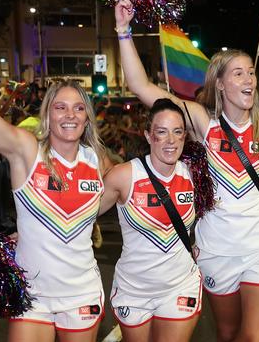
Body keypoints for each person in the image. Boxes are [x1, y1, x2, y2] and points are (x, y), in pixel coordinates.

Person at [115, 0, 259, 341]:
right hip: (214, 248)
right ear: (220, 84)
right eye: (238, 73)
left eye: (251, 72)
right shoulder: (200, 120)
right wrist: (122, 31)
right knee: (227, 333)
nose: (249, 78)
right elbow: (142, 87)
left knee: (255, 336)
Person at [0, 20, 110, 342]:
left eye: (79, 108)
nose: (70, 115)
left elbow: (132, 187)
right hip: (33, 295)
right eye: (60, 107)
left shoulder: (98, 160)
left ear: (87, 117)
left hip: (82, 294)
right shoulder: (26, 151)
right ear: (48, 114)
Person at [100, 98, 201, 342]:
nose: (171, 141)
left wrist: (202, 246)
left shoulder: (194, 175)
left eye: (177, 132)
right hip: (133, 290)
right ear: (147, 135)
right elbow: (82, 214)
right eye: (161, 132)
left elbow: (216, 213)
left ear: (185, 136)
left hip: (179, 286)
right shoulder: (124, 176)